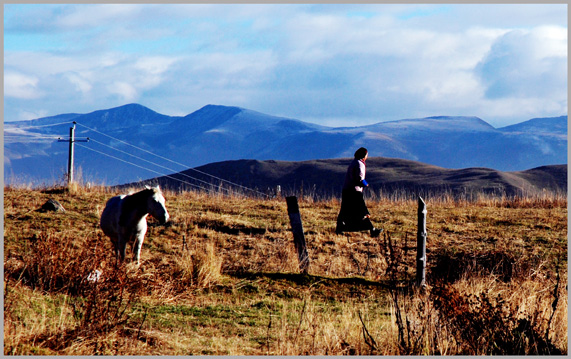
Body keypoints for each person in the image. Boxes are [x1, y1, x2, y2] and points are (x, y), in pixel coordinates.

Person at [336, 147, 382, 237]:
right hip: (354, 191)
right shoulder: (360, 164)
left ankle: (340, 228)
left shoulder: (353, 162)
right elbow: (360, 178)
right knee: (361, 211)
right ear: (364, 155)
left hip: (347, 190)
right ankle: (372, 230)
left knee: (345, 210)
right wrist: (365, 184)